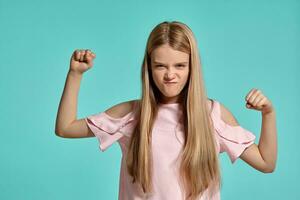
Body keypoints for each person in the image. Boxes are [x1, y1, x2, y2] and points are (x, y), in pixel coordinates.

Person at [55, 21, 277, 200]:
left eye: (180, 65)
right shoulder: (132, 115)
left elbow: (266, 163)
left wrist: (268, 114)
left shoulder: (212, 115)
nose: (170, 75)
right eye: (160, 66)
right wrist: (75, 75)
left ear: (192, 67)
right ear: (149, 67)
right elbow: (65, 128)